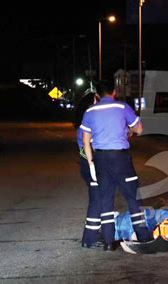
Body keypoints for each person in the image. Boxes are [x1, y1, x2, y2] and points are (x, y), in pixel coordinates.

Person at [80, 80, 152, 251]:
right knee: (133, 197)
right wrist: (128, 130)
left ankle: (107, 241)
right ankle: (143, 237)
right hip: (120, 158)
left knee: (106, 200)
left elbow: (85, 141)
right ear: (114, 92)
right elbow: (139, 129)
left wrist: (91, 163)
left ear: (96, 94)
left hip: (100, 159)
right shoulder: (122, 107)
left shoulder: (89, 111)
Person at [76, 92, 103, 248]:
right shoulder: (86, 126)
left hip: (90, 165)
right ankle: (90, 238)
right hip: (91, 166)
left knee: (99, 199)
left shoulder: (87, 124)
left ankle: (94, 235)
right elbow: (88, 148)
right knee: (97, 200)